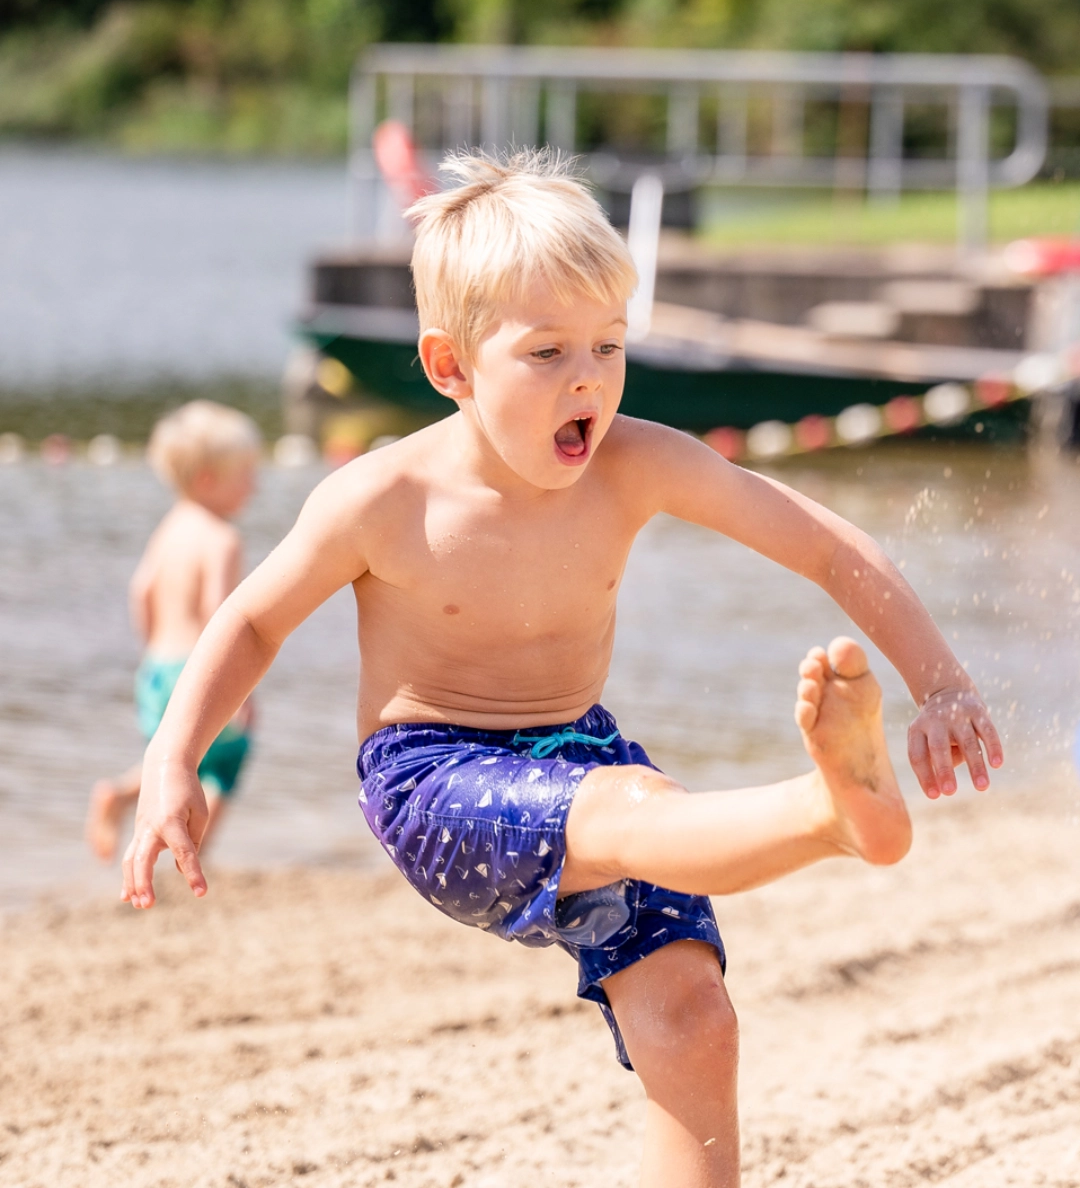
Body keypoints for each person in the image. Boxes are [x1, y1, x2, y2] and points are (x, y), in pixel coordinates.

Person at [122, 150, 1004, 1188]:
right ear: (451, 367)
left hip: (576, 747)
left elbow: (826, 543)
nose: (588, 378)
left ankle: (836, 818)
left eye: (609, 347)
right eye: (546, 353)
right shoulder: (382, 499)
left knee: (691, 1013)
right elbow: (252, 623)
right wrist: (172, 759)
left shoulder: (637, 463)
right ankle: (831, 814)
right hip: (431, 778)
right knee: (632, 803)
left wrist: (941, 681)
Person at [86, 400, 261, 861]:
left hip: (157, 667)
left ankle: (121, 797)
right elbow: (221, 616)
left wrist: (151, 648)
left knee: (172, 757)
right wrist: (240, 691)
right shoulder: (223, 539)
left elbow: (140, 590)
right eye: (245, 474)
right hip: (196, 669)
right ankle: (192, 856)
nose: (255, 486)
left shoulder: (168, 529)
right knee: (224, 761)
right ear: (208, 479)